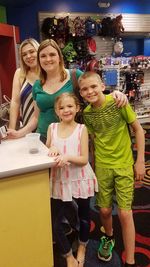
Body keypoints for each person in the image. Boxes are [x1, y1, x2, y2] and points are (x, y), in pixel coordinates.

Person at [78, 71, 145, 267]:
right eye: (84, 89)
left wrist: (139, 160)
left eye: (93, 86)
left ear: (101, 85)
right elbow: (93, 141)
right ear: (81, 94)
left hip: (124, 165)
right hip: (102, 167)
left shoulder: (118, 103)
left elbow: (138, 130)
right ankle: (108, 236)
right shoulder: (87, 114)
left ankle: (131, 260)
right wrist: (92, 167)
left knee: (125, 213)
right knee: (105, 210)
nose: (90, 91)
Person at [8, 38, 128, 141]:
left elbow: (95, 91)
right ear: (39, 60)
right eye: (43, 56)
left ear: (59, 57)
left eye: (52, 54)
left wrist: (114, 94)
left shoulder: (75, 76)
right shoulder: (37, 85)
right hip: (44, 138)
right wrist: (19, 133)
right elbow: (35, 117)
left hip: (73, 138)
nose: (48, 59)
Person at [46, 92, 98, 267]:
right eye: (61, 107)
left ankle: (82, 246)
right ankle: (68, 255)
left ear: (77, 108)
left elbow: (84, 159)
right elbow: (47, 152)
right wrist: (51, 148)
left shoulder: (82, 129)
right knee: (55, 223)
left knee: (83, 216)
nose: (66, 110)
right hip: (59, 180)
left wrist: (66, 156)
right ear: (56, 111)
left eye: (70, 106)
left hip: (80, 179)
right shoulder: (52, 128)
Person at [9, 38, 40, 129]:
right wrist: (11, 128)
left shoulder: (48, 73)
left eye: (32, 51)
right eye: (24, 54)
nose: (28, 56)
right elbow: (15, 102)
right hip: (27, 130)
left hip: (47, 127)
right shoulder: (20, 73)